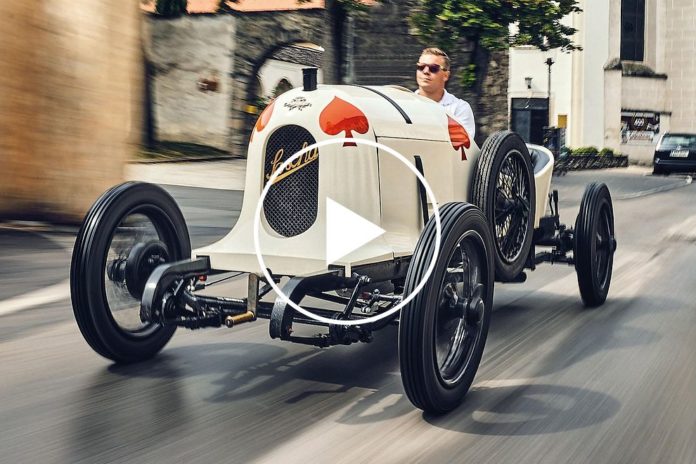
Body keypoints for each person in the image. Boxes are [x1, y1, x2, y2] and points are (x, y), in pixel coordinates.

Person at [415, 47, 476, 139]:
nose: (425, 71)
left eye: (433, 68)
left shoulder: (459, 108)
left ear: (446, 75)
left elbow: (462, 145)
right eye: (421, 67)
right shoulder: (402, 104)